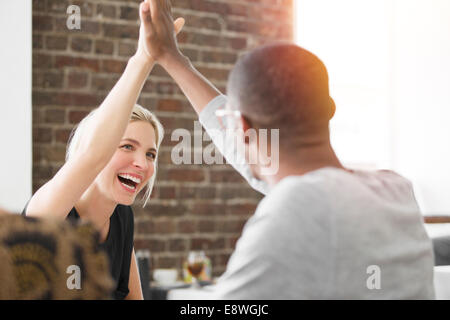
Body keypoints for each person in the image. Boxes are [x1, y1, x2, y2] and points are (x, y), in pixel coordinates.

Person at [137, 1, 435, 298]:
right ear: (328, 110)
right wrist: (171, 57)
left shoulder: (295, 210)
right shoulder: (395, 191)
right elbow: (247, 147)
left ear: (243, 128)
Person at [23, 1, 184, 300]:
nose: (142, 164)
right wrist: (143, 60)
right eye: (126, 146)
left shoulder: (122, 219)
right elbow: (92, 156)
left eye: (150, 154)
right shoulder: (51, 212)